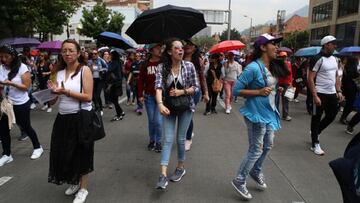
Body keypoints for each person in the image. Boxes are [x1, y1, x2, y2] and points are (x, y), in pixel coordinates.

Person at [231, 34, 289, 200]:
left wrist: (276, 89)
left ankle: (255, 171)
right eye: (273, 44)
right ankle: (239, 179)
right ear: (263, 47)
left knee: (268, 144)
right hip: (256, 114)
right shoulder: (253, 68)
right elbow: (236, 90)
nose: (277, 48)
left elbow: (270, 85)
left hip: (269, 112)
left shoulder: (271, 66)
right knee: (256, 148)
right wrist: (258, 91)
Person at [47, 39, 94, 203]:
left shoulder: (84, 70)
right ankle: (74, 182)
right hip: (62, 118)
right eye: (64, 51)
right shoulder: (57, 72)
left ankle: (83, 188)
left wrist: (65, 92)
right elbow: (53, 100)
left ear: (78, 53)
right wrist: (51, 94)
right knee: (65, 153)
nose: (67, 53)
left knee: (81, 153)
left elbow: (88, 97)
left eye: (71, 50)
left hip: (80, 117)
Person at [155, 38, 199, 189]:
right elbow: (158, 87)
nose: (181, 50)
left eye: (182, 48)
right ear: (169, 51)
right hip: (169, 107)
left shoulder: (189, 66)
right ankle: (162, 175)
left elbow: (196, 87)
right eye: (177, 48)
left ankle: (180, 167)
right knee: (167, 140)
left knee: (180, 139)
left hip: (186, 107)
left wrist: (182, 91)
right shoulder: (161, 67)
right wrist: (160, 104)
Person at [0, 44, 44, 167]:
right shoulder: (1, 68)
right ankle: (7, 154)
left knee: (25, 126)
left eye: (6, 56)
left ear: (13, 56)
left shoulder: (22, 68)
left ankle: (37, 147)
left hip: (20, 103)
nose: (3, 59)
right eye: (1, 56)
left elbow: (26, 87)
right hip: (6, 103)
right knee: (3, 129)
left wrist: (11, 84)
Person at [308, 35, 344, 156]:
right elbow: (310, 78)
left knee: (332, 115)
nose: (335, 46)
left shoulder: (335, 59)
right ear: (326, 44)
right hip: (320, 93)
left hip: (332, 93)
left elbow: (336, 76)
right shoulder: (317, 58)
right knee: (316, 118)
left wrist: (338, 91)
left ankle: (316, 132)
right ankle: (315, 143)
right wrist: (315, 95)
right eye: (333, 43)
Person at [183, 39, 209, 151]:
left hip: (195, 91)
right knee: (184, 114)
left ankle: (188, 138)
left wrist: (206, 93)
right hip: (182, 90)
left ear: (194, 48)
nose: (188, 46)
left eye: (190, 45)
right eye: (186, 44)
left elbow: (202, 78)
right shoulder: (180, 57)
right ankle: (188, 132)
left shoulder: (198, 60)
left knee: (188, 114)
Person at [138, 43, 163, 152]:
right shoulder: (145, 65)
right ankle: (152, 140)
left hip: (161, 96)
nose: (159, 50)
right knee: (151, 121)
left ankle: (158, 141)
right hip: (149, 96)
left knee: (158, 120)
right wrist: (140, 95)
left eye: (160, 48)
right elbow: (140, 81)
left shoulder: (164, 63)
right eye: (157, 48)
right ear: (151, 51)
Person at [107, 50, 125, 122]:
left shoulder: (114, 62)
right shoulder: (118, 62)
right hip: (117, 83)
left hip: (115, 84)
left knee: (114, 100)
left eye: (110, 55)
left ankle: (119, 115)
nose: (109, 56)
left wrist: (108, 61)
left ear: (113, 56)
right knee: (114, 100)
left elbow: (109, 69)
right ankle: (121, 112)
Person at [88, 49, 107, 115]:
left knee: (98, 95)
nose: (94, 55)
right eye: (92, 54)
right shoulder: (89, 61)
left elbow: (106, 67)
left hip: (100, 80)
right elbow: (87, 70)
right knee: (93, 96)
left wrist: (102, 70)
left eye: (95, 54)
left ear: (97, 54)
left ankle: (100, 109)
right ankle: (96, 107)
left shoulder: (101, 60)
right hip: (92, 80)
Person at [340, 56, 358, 126]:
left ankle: (343, 117)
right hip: (351, 89)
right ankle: (343, 117)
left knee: (349, 104)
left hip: (346, 88)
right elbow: (351, 78)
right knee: (350, 104)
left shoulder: (346, 68)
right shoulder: (353, 70)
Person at [276, 51, 293, 121]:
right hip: (280, 83)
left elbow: (290, 73)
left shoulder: (288, 63)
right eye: (282, 56)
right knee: (276, 99)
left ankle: (285, 115)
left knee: (286, 99)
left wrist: (291, 82)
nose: (284, 58)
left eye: (284, 56)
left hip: (287, 83)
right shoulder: (278, 64)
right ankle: (277, 115)